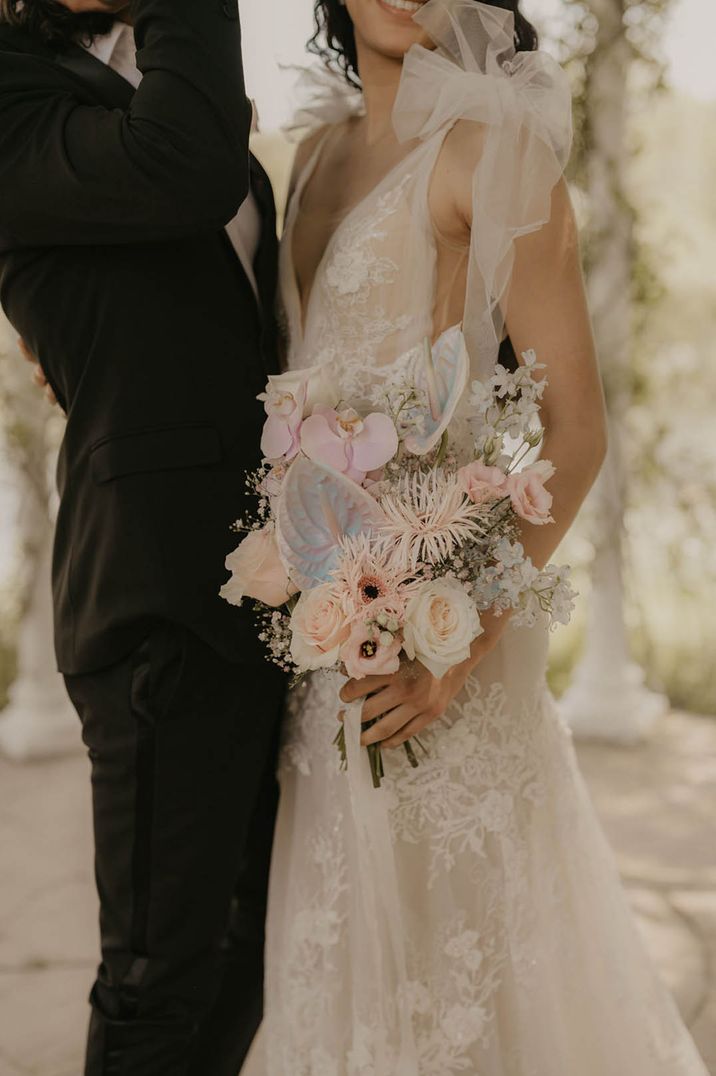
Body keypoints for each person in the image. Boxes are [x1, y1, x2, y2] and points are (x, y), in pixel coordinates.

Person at [241, 1, 710, 1073]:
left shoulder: (492, 152)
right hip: (322, 653)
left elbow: (576, 431)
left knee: (471, 970)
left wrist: (460, 639)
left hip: (440, 654)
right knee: (344, 954)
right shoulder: (309, 157)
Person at [0, 0, 286, 1072]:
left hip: (273, 585)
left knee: (253, 949)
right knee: (157, 976)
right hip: (156, 595)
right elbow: (185, 163)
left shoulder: (156, 68)